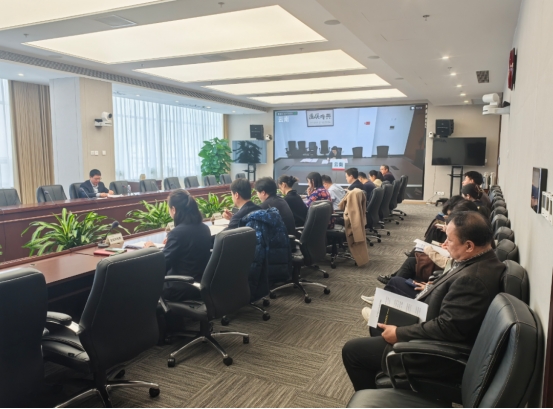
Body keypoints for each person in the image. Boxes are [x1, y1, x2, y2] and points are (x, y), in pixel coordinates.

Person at [342, 211, 505, 391]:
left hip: (436, 352)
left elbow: (448, 328)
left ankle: (376, 393)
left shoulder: (473, 280)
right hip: (431, 325)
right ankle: (389, 378)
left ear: (469, 246)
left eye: (450, 240)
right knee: (378, 322)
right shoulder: (481, 261)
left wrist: (400, 333)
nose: (445, 244)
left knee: (352, 351)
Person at [143, 189, 211, 302]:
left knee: (142, 281)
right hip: (200, 284)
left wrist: (151, 249)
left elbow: (161, 265)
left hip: (180, 288)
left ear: (173, 209)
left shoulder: (177, 233)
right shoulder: (204, 228)